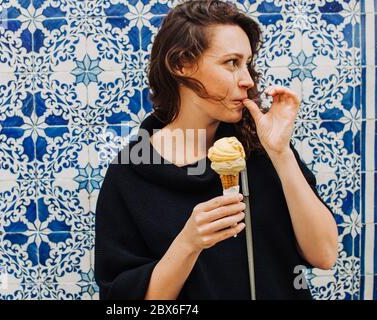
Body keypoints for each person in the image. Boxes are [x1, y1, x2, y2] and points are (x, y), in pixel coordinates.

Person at [94, 0, 338, 300]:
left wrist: (281, 153)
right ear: (181, 64)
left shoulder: (261, 149)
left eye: (247, 63)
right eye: (231, 63)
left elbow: (325, 255)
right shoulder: (130, 173)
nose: (247, 80)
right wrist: (188, 243)